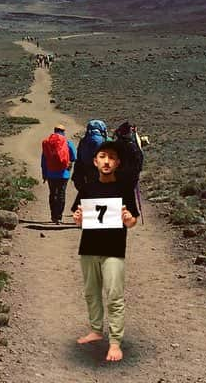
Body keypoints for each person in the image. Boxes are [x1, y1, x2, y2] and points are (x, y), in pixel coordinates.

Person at [72, 139, 139, 363]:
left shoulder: (124, 189)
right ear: (94, 161)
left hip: (113, 249)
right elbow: (78, 218)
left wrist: (129, 219)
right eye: (102, 157)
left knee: (113, 295)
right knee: (91, 292)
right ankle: (96, 329)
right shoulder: (87, 188)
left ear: (118, 162)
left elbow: (132, 220)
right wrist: (78, 219)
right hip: (89, 248)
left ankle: (115, 342)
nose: (106, 161)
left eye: (111, 158)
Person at [40, 124, 76, 224]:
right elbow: (74, 157)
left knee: (52, 193)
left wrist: (44, 174)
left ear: (54, 130)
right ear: (63, 131)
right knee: (61, 193)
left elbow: (44, 161)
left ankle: (53, 215)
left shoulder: (47, 143)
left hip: (50, 173)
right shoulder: (67, 142)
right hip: (64, 174)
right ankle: (59, 216)